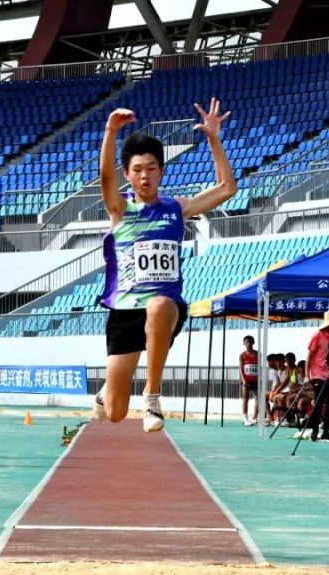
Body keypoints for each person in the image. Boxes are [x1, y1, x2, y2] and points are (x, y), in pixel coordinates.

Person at [94, 99, 237, 432]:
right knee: (114, 413)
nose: (145, 176)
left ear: (161, 170)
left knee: (159, 305)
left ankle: (152, 396)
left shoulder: (177, 208)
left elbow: (227, 188)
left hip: (166, 305)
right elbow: (104, 178)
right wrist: (110, 131)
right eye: (138, 170)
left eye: (152, 168)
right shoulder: (120, 209)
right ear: (128, 175)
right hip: (125, 310)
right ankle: (106, 393)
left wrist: (214, 139)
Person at [300, 309, 329, 442]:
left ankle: (326, 432)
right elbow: (309, 356)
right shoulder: (317, 335)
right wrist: (307, 375)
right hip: (318, 374)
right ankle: (314, 431)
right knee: (318, 404)